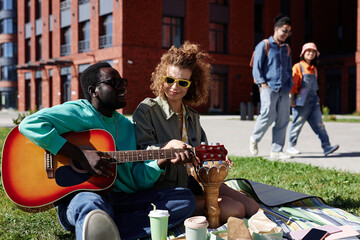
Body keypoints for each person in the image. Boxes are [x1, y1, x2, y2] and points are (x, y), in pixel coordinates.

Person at [18, 62, 198, 240]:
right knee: (92, 204)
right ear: (93, 91)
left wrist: (162, 160)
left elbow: (136, 180)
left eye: (123, 82)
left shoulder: (127, 127)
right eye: (114, 83)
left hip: (119, 199)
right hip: (82, 197)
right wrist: (80, 155)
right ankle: (98, 224)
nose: (122, 87)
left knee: (183, 198)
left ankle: (102, 229)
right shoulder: (80, 112)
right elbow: (29, 124)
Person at [133, 41, 260, 225]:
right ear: (162, 78)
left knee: (250, 205)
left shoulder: (192, 117)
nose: (174, 87)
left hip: (193, 182)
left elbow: (202, 153)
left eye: (182, 82)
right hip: (164, 190)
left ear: (191, 85)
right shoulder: (147, 111)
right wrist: (167, 148)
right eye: (170, 80)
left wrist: (216, 160)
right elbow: (142, 152)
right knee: (236, 209)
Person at [249, 14, 294, 160]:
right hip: (268, 86)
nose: (286, 35)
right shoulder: (264, 45)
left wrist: (290, 86)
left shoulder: (287, 48)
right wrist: (262, 84)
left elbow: (288, 69)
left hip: (284, 88)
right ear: (276, 29)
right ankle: (255, 139)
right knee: (267, 115)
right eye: (284, 31)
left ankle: (276, 150)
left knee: (283, 119)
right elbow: (256, 67)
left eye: (289, 32)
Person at [287, 42, 339, 156]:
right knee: (297, 124)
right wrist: (291, 100)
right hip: (300, 102)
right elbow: (293, 85)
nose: (311, 53)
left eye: (313, 51)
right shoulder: (298, 67)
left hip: (313, 101)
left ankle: (326, 147)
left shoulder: (314, 69)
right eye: (308, 51)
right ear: (303, 53)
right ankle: (291, 146)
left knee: (320, 125)